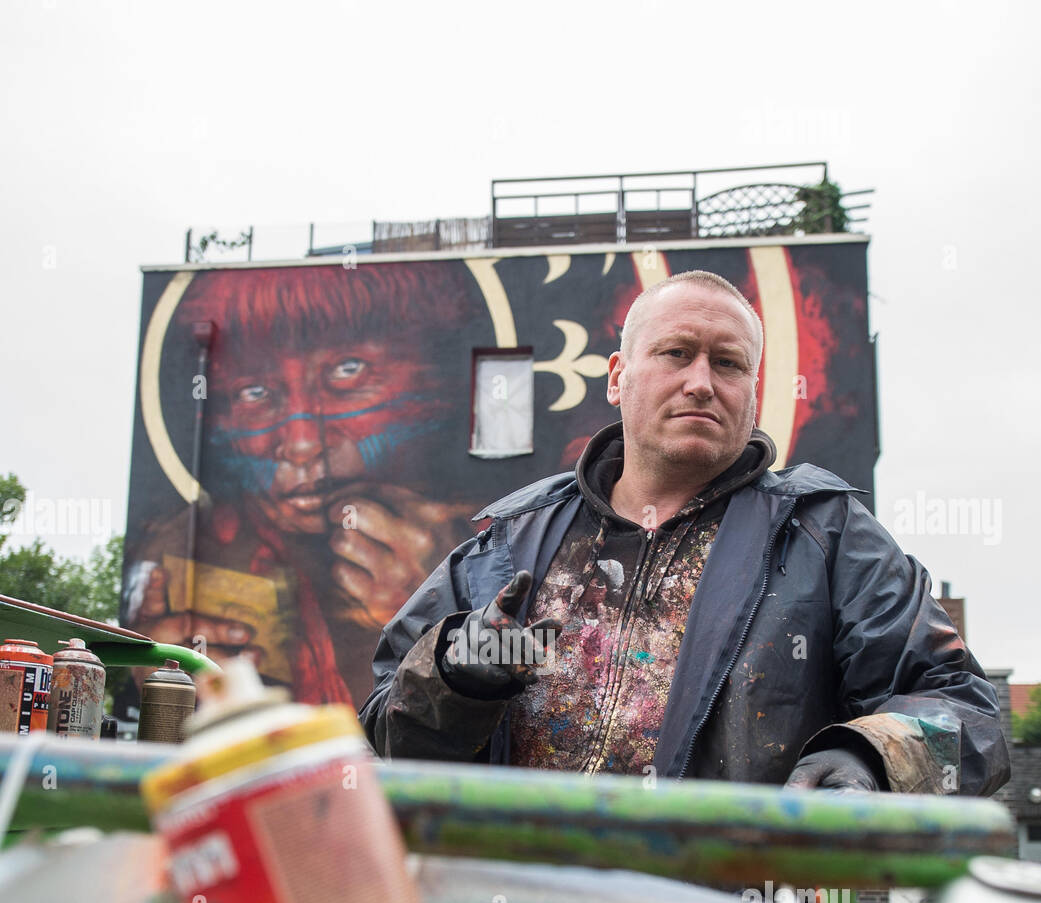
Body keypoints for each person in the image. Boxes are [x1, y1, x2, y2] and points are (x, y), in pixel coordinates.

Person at [360, 270, 1009, 796]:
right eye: (674, 353)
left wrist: (868, 756)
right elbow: (379, 739)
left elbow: (968, 717)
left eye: (727, 364)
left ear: (751, 393)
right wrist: (454, 678)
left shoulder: (827, 537)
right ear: (617, 376)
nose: (699, 382)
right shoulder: (507, 543)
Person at [123, 265, 474, 708]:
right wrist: (161, 673)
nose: (303, 443)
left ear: (432, 378)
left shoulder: (503, 540)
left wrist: (435, 611)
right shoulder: (182, 549)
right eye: (254, 393)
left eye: (349, 370)